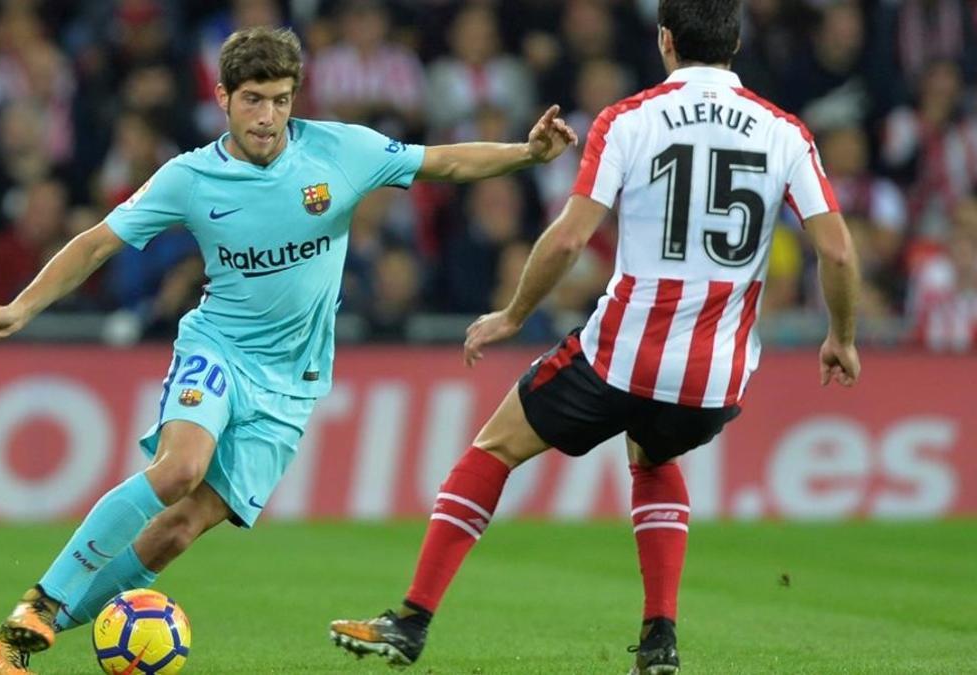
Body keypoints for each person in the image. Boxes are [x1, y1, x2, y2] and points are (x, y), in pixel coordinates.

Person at [0, 26, 577, 675]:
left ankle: (11, 642)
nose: (268, 116)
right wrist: (21, 306)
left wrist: (527, 154)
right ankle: (41, 599)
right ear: (223, 97)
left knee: (177, 529)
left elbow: (444, 161)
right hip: (218, 349)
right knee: (178, 471)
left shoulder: (340, 151)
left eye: (281, 99)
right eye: (254, 99)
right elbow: (96, 242)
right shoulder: (191, 176)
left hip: (293, 381)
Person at [327, 2, 861, 674]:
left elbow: (573, 235)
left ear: (665, 40)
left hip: (618, 356)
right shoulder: (786, 132)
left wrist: (513, 314)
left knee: (493, 447)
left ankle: (410, 619)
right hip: (712, 377)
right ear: (737, 41)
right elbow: (837, 254)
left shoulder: (628, 119)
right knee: (656, 455)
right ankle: (660, 638)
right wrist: (841, 335)